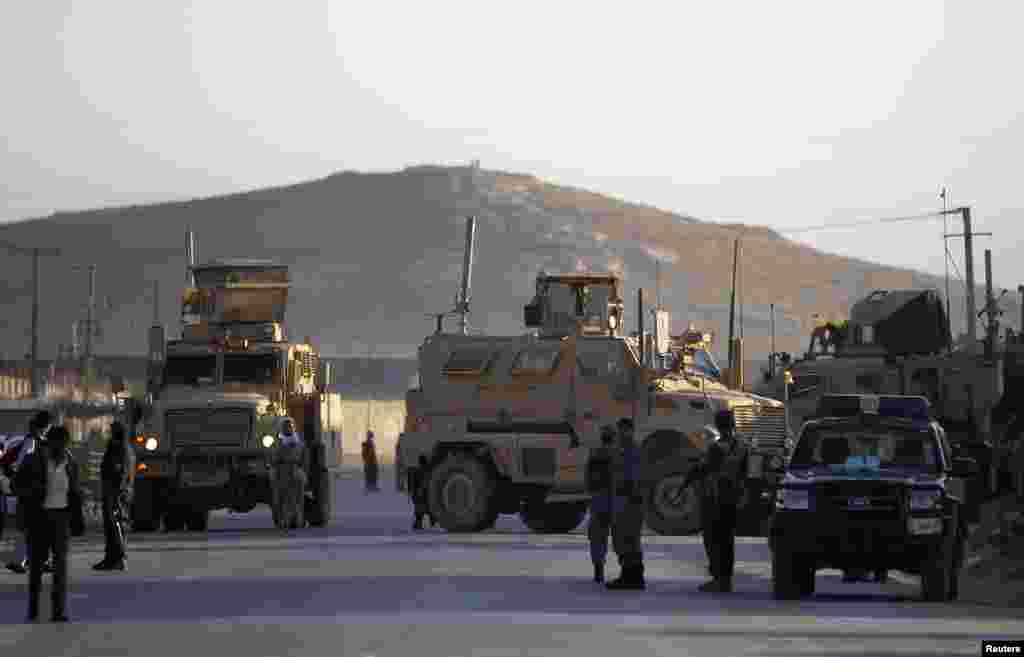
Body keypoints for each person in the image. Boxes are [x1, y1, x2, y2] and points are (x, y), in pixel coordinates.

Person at [14, 425, 84, 623]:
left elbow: (75, 491)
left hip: (61, 519)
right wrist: (32, 492)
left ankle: (58, 611)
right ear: (49, 443)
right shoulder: (33, 460)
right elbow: (16, 484)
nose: (62, 448)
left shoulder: (70, 462)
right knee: (36, 567)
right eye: (58, 444)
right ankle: (34, 609)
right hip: (39, 518)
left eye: (64, 445)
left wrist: (76, 518)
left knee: (60, 567)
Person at [683, 408, 749, 593]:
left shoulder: (716, 447)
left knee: (713, 540)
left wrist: (689, 476)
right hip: (732, 499)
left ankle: (719, 579)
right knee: (727, 541)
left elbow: (704, 469)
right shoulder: (742, 446)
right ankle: (725, 579)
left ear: (719, 426)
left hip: (715, 499)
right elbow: (745, 473)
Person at [6, 412, 52, 575]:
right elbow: (18, 464)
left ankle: (34, 560)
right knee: (30, 526)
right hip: (32, 491)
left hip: (35, 490)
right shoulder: (33, 442)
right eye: (49, 425)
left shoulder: (38, 441)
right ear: (45, 426)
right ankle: (26, 561)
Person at [607, 417, 646, 591]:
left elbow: (633, 477)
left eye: (625, 430)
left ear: (631, 431)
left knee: (629, 539)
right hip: (622, 500)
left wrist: (631, 495)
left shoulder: (633, 451)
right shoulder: (621, 450)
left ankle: (633, 577)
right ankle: (628, 575)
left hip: (630, 501)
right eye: (620, 430)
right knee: (621, 539)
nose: (622, 433)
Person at [94, 422, 135, 571]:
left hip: (116, 493)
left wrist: (116, 493)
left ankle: (118, 558)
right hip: (118, 492)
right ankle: (111, 559)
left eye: (111, 431)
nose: (109, 433)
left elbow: (120, 472)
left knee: (115, 526)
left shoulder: (119, 448)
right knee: (114, 526)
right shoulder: (123, 448)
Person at [585, 425, 617, 583]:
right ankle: (628, 570)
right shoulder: (620, 453)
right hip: (617, 499)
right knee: (622, 536)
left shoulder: (594, 453)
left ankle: (598, 569)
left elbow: (588, 480)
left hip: (599, 498)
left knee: (598, 536)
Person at [271, 418, 307, 532]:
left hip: (294, 470)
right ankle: (284, 520)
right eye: (286, 426)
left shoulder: (297, 441)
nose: (288, 428)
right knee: (281, 499)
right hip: (282, 471)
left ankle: (296, 520)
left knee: (297, 498)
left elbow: (304, 458)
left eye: (290, 426)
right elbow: (273, 457)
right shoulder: (279, 441)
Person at [410, 455, 434, 530]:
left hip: (420, 494)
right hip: (425, 494)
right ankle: (429, 523)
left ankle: (418, 524)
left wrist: (414, 494)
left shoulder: (417, 471)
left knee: (420, 511)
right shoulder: (428, 471)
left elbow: (413, 484)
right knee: (428, 510)